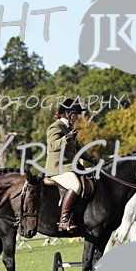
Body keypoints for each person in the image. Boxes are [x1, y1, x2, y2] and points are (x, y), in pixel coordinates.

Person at [45, 98, 91, 231]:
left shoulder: (68, 128)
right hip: (58, 168)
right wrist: (66, 138)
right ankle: (64, 221)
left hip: (71, 167)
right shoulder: (55, 127)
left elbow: (79, 148)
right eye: (76, 114)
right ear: (67, 114)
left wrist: (92, 159)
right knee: (75, 186)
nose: (77, 117)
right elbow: (53, 146)